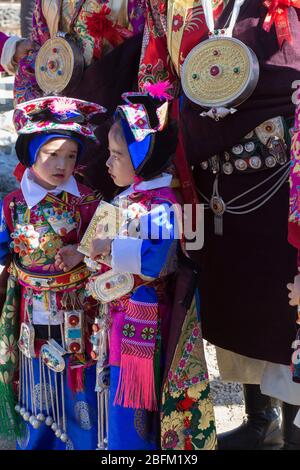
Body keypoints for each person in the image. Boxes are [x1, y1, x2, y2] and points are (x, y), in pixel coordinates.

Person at [138, 0, 300, 449]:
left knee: (286, 302)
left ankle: (295, 427)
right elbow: (156, 82)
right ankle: (260, 421)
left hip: (281, 170)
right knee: (232, 298)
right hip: (209, 176)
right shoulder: (167, 4)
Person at [84, 85, 216, 450]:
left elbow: (157, 260)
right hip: (120, 316)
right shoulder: (130, 196)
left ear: (142, 157)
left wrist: (111, 248)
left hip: (142, 323)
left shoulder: (161, 203)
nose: (108, 164)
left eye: (116, 155)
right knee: (119, 395)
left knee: (135, 403)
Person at [0, 96, 106, 450]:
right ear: (31, 154)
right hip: (32, 312)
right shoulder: (13, 204)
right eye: (52, 154)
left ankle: (83, 444)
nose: (62, 164)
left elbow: (107, 253)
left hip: (78, 310)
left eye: (71, 155)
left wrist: (84, 254)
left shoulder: (89, 200)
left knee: (79, 386)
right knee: (36, 384)